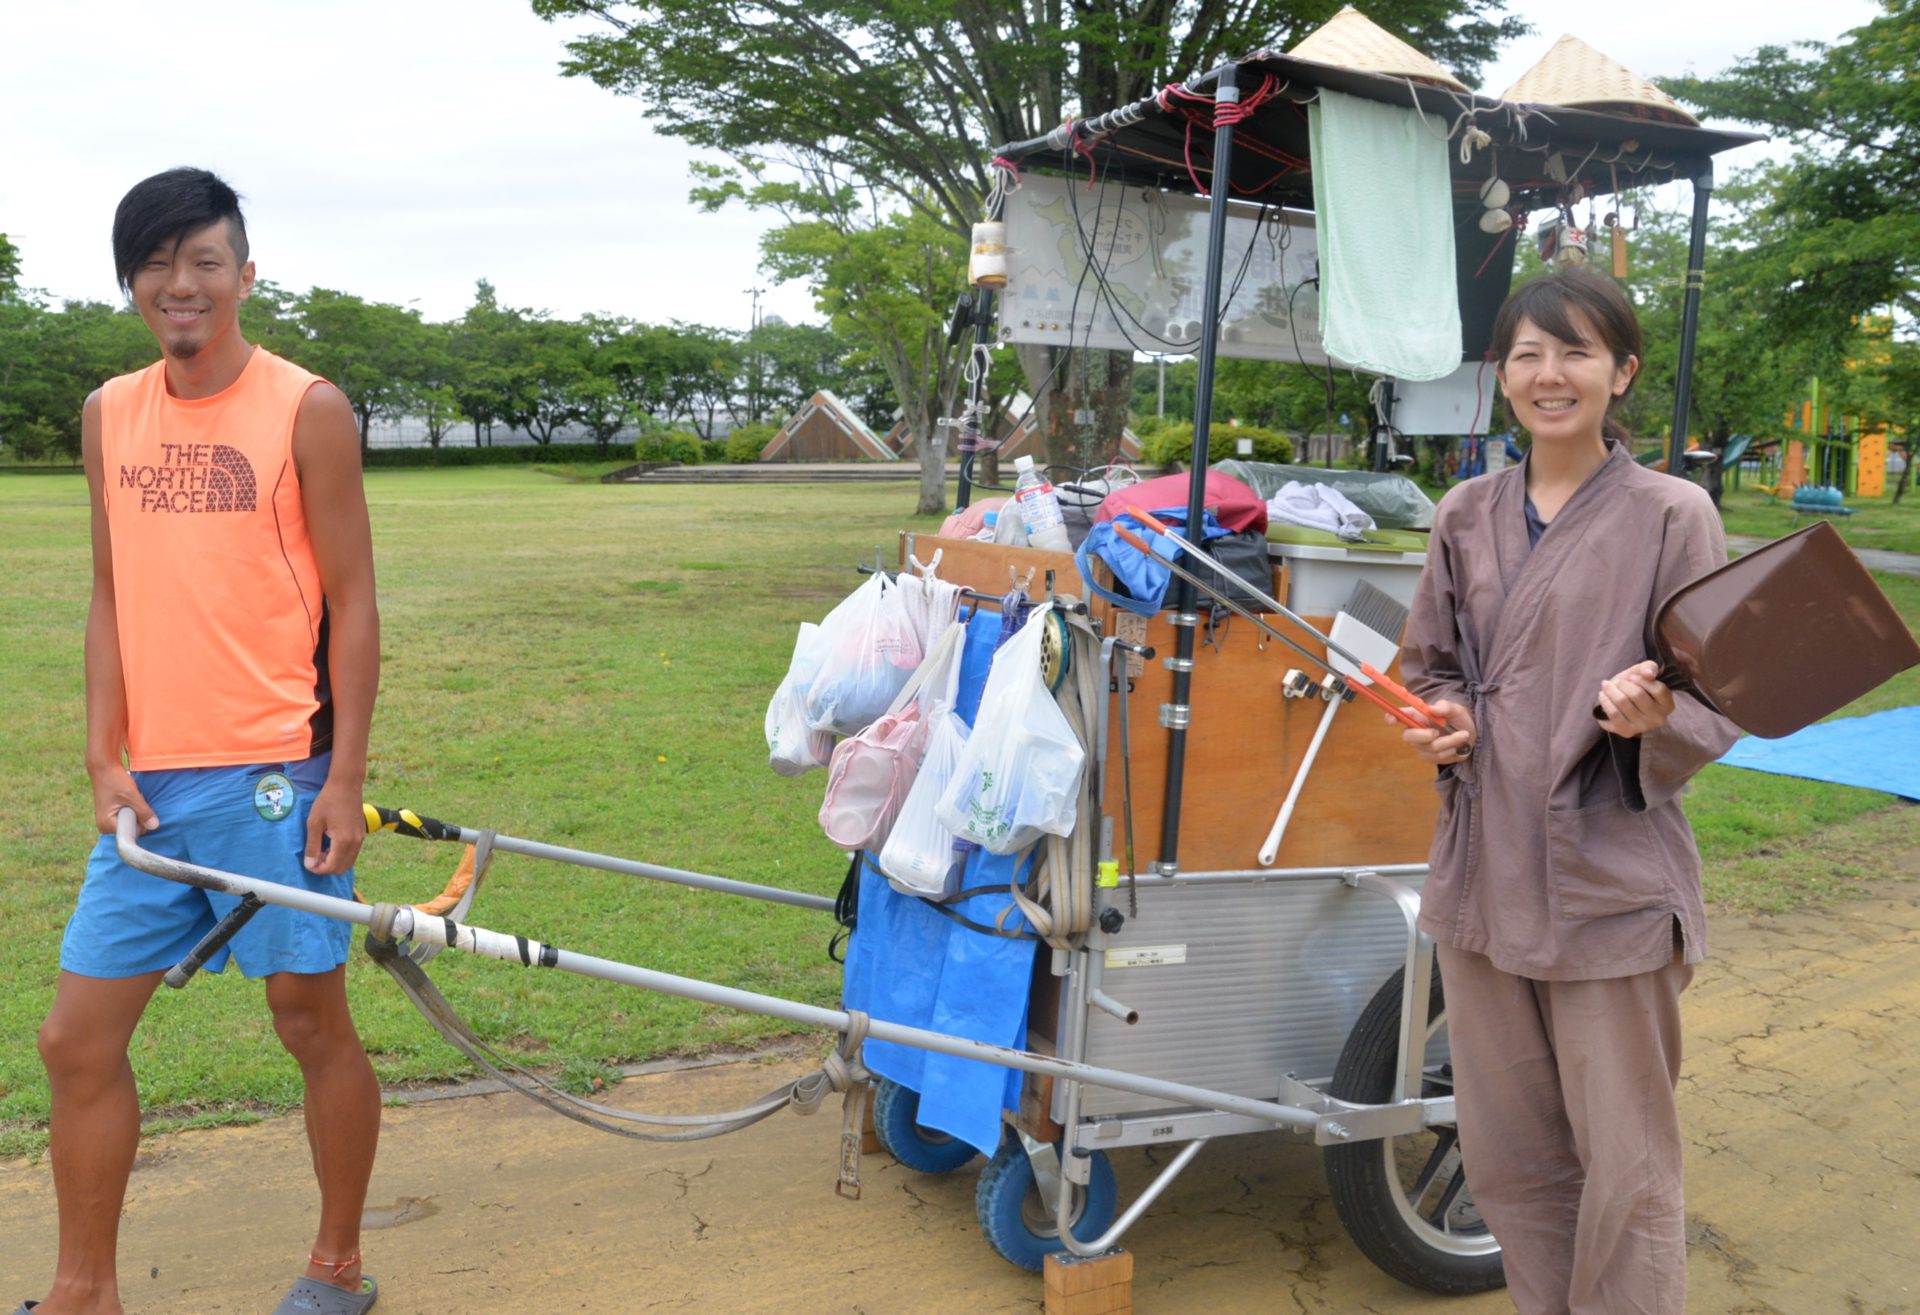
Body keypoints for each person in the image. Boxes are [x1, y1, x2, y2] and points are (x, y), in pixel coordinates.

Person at [24, 169, 382, 1315]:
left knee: (307, 1015)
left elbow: (355, 601)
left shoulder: (304, 406)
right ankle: (85, 1292)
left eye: (204, 260)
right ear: (133, 281)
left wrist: (347, 780)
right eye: (158, 262)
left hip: (278, 771)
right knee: (76, 1040)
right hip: (151, 787)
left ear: (244, 272)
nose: (181, 283)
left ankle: (337, 1266)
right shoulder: (107, 412)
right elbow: (109, 595)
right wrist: (101, 752)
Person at [1393, 268, 1738, 1314]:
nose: (1552, 374)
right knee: (1511, 1161)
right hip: (1484, 877)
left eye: (1577, 351)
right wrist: (1443, 722)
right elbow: (1432, 664)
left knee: (1625, 1171)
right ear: (1501, 376)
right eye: (1529, 354)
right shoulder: (1464, 512)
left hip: (1608, 882)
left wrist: (1653, 718)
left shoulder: (1675, 513)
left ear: (1621, 372)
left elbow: (1716, 695)